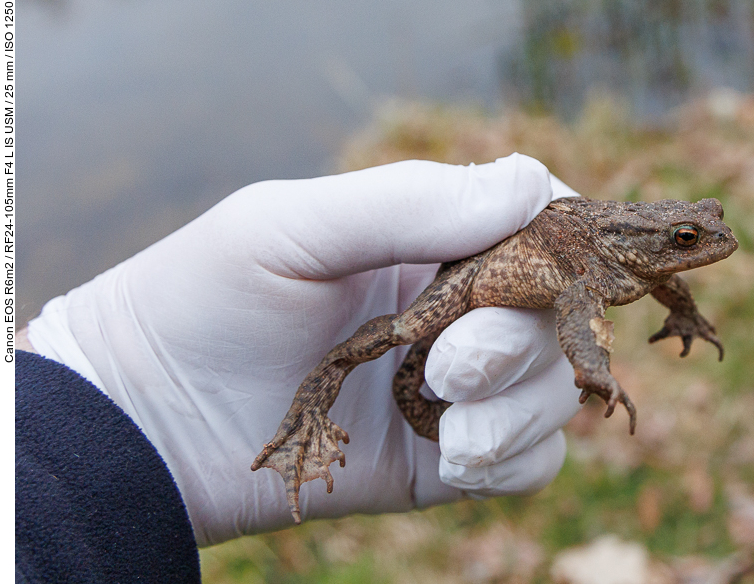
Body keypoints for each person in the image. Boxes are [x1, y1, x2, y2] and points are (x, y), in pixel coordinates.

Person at [17, 154, 585, 583]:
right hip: (432, 307)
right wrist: (107, 373)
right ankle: (302, 420)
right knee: (403, 332)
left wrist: (84, 419)